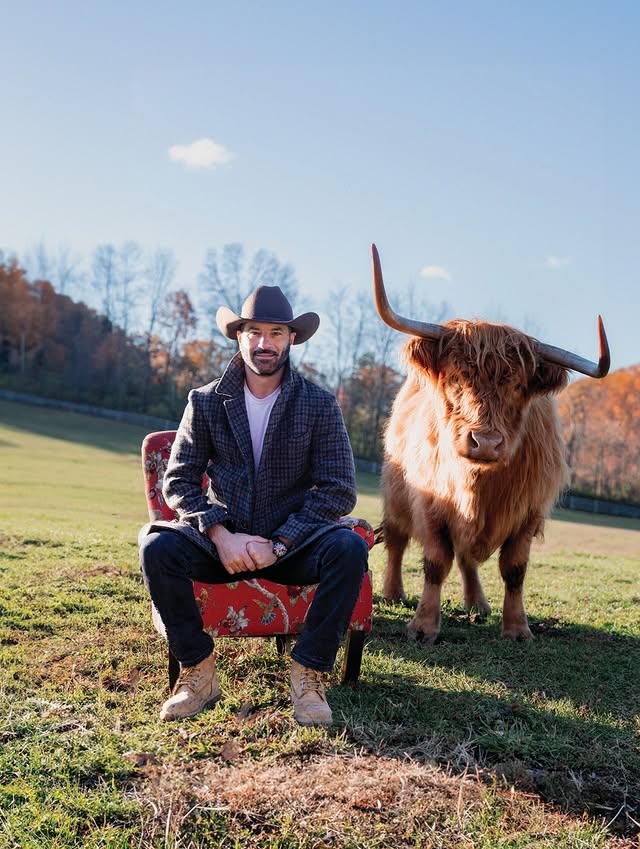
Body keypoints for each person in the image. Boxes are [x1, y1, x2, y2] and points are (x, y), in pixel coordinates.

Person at [139, 285, 369, 726]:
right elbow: (179, 481)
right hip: (223, 545)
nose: (265, 343)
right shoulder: (205, 401)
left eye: (276, 333)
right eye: (255, 332)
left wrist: (280, 543)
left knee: (349, 547)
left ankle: (309, 675)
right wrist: (221, 536)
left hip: (293, 546)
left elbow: (339, 490)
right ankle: (198, 672)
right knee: (157, 547)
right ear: (239, 337)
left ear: (291, 339)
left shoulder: (319, 405)